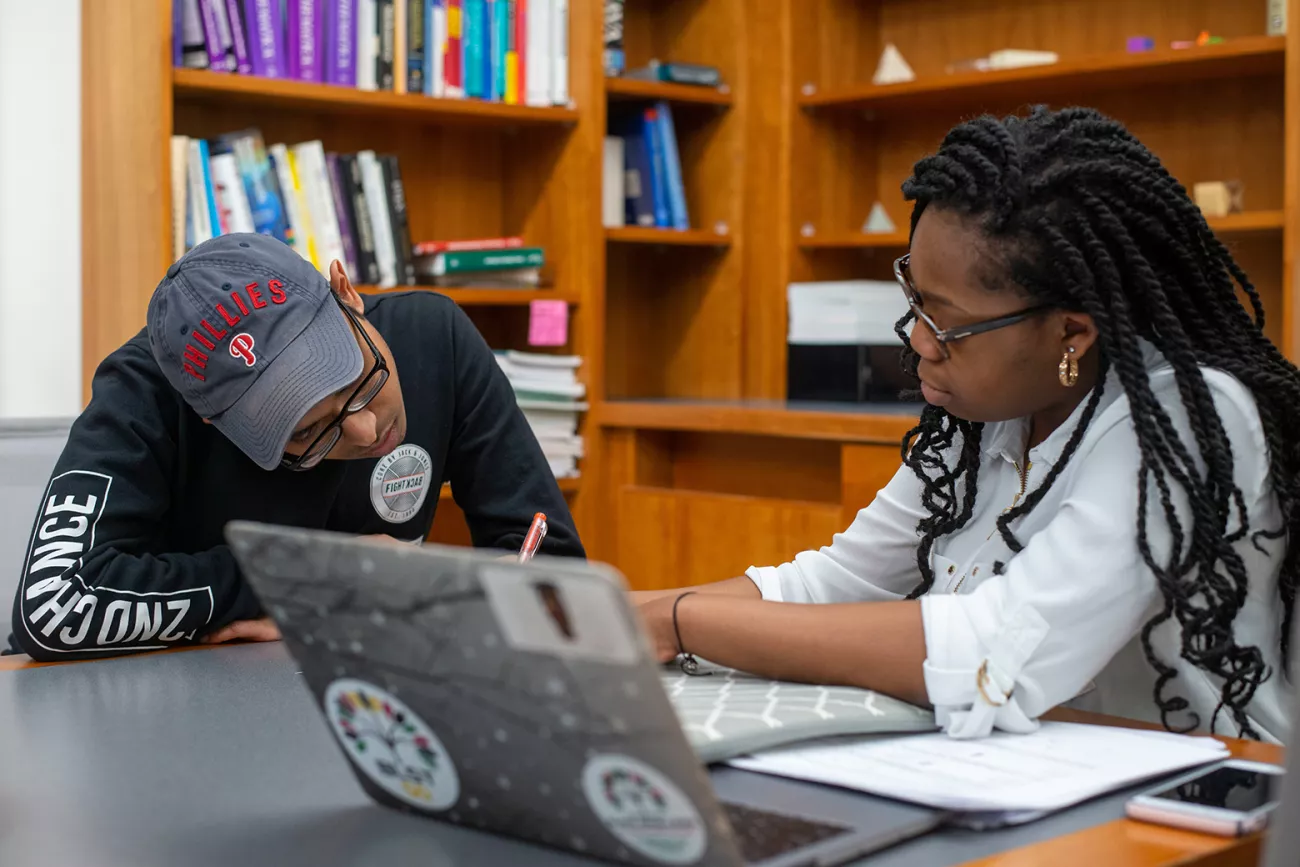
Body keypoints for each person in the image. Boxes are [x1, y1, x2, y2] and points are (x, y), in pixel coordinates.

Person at [634, 106, 1299, 743]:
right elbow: (825, 584)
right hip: (1038, 768)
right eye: (915, 301)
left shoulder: (1189, 416)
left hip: (1205, 803)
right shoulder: (988, 414)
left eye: (947, 324)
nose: (919, 341)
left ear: (1072, 332)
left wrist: (680, 619)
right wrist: (615, 615)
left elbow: (996, 654)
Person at [8, 233, 584, 661]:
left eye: (359, 380)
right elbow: (54, 607)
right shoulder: (150, 389)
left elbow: (554, 570)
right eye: (305, 435)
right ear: (214, 421)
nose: (365, 432)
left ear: (346, 294)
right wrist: (313, 581)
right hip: (178, 711)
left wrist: (364, 602)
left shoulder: (435, 338)